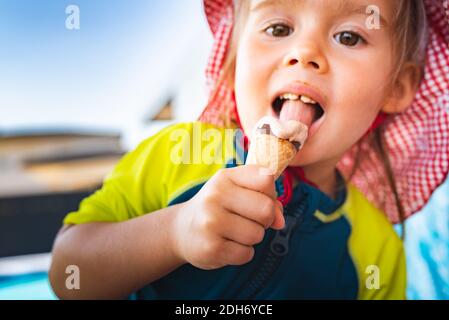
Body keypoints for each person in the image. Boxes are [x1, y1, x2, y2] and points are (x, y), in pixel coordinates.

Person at [49, 0, 449, 299]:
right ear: (236, 57)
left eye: (349, 36)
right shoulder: (176, 153)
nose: (304, 53)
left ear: (397, 88)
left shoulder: (378, 246)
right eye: (277, 28)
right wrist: (174, 233)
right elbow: (70, 274)